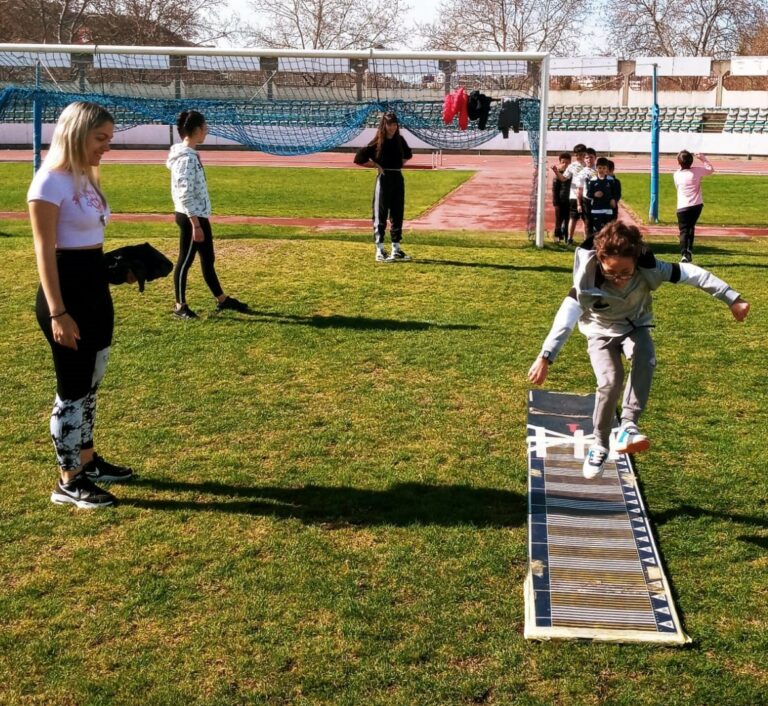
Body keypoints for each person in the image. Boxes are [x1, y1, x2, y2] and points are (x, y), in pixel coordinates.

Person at [528, 221, 749, 480]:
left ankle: (628, 425)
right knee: (610, 382)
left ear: (635, 261)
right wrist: (546, 356)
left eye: (626, 272)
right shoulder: (585, 282)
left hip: (635, 325)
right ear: (600, 260)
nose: (619, 279)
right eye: (612, 273)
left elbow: (693, 274)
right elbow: (564, 321)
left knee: (645, 356)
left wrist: (732, 298)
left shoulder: (650, 270)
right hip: (599, 333)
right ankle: (600, 444)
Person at [28, 101, 134, 509]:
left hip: (94, 295)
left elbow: (86, 248)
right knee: (71, 392)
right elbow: (46, 253)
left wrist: (118, 269)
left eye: (109, 138)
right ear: (75, 134)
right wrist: (58, 311)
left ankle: (88, 461)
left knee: (90, 385)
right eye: (100, 138)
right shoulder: (48, 184)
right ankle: (68, 480)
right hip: (65, 301)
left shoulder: (85, 179)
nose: (106, 146)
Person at [168, 110, 248, 319]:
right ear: (195, 130)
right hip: (190, 217)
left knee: (208, 258)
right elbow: (184, 194)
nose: (207, 130)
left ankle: (222, 299)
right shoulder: (185, 159)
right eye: (204, 127)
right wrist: (195, 224)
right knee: (185, 261)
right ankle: (180, 306)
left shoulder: (191, 154)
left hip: (199, 216)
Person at [354, 112, 413, 262]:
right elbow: (359, 158)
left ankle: (396, 249)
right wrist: (376, 165)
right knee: (381, 214)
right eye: (389, 124)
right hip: (384, 179)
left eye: (394, 124)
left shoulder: (400, 140)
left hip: (398, 179)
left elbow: (408, 155)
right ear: (384, 125)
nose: (392, 127)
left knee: (397, 213)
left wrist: (399, 164)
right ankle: (380, 250)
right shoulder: (378, 142)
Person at [674, 150, 714, 263]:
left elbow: (677, 187)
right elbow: (710, 170)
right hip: (696, 205)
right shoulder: (697, 171)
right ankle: (689, 252)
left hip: (683, 206)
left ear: (679, 162)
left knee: (683, 231)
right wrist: (703, 158)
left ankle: (684, 254)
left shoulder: (677, 174)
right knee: (691, 227)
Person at [553, 144, 586, 244]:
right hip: (573, 196)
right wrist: (556, 171)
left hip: (586, 195)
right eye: (577, 155)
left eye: (581, 154)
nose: (579, 157)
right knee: (572, 218)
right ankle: (569, 239)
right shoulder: (572, 166)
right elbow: (563, 178)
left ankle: (586, 240)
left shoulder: (590, 165)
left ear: (585, 154)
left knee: (586, 219)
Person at [585, 157, 617, 235]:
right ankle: (597, 246)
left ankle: (607, 246)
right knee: (597, 231)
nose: (602, 170)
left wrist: (613, 199)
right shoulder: (592, 180)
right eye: (599, 168)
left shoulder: (611, 180)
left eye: (604, 168)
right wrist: (594, 195)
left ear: (607, 169)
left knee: (608, 231)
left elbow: (614, 192)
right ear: (596, 168)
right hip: (596, 209)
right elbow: (588, 194)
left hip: (608, 209)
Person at [551, 152, 572, 242]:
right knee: (558, 220)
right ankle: (557, 237)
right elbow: (555, 190)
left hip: (569, 201)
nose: (565, 165)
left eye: (567, 163)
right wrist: (556, 203)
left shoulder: (571, 174)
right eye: (563, 162)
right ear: (560, 162)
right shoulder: (557, 176)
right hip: (559, 201)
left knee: (568, 220)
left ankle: (567, 237)